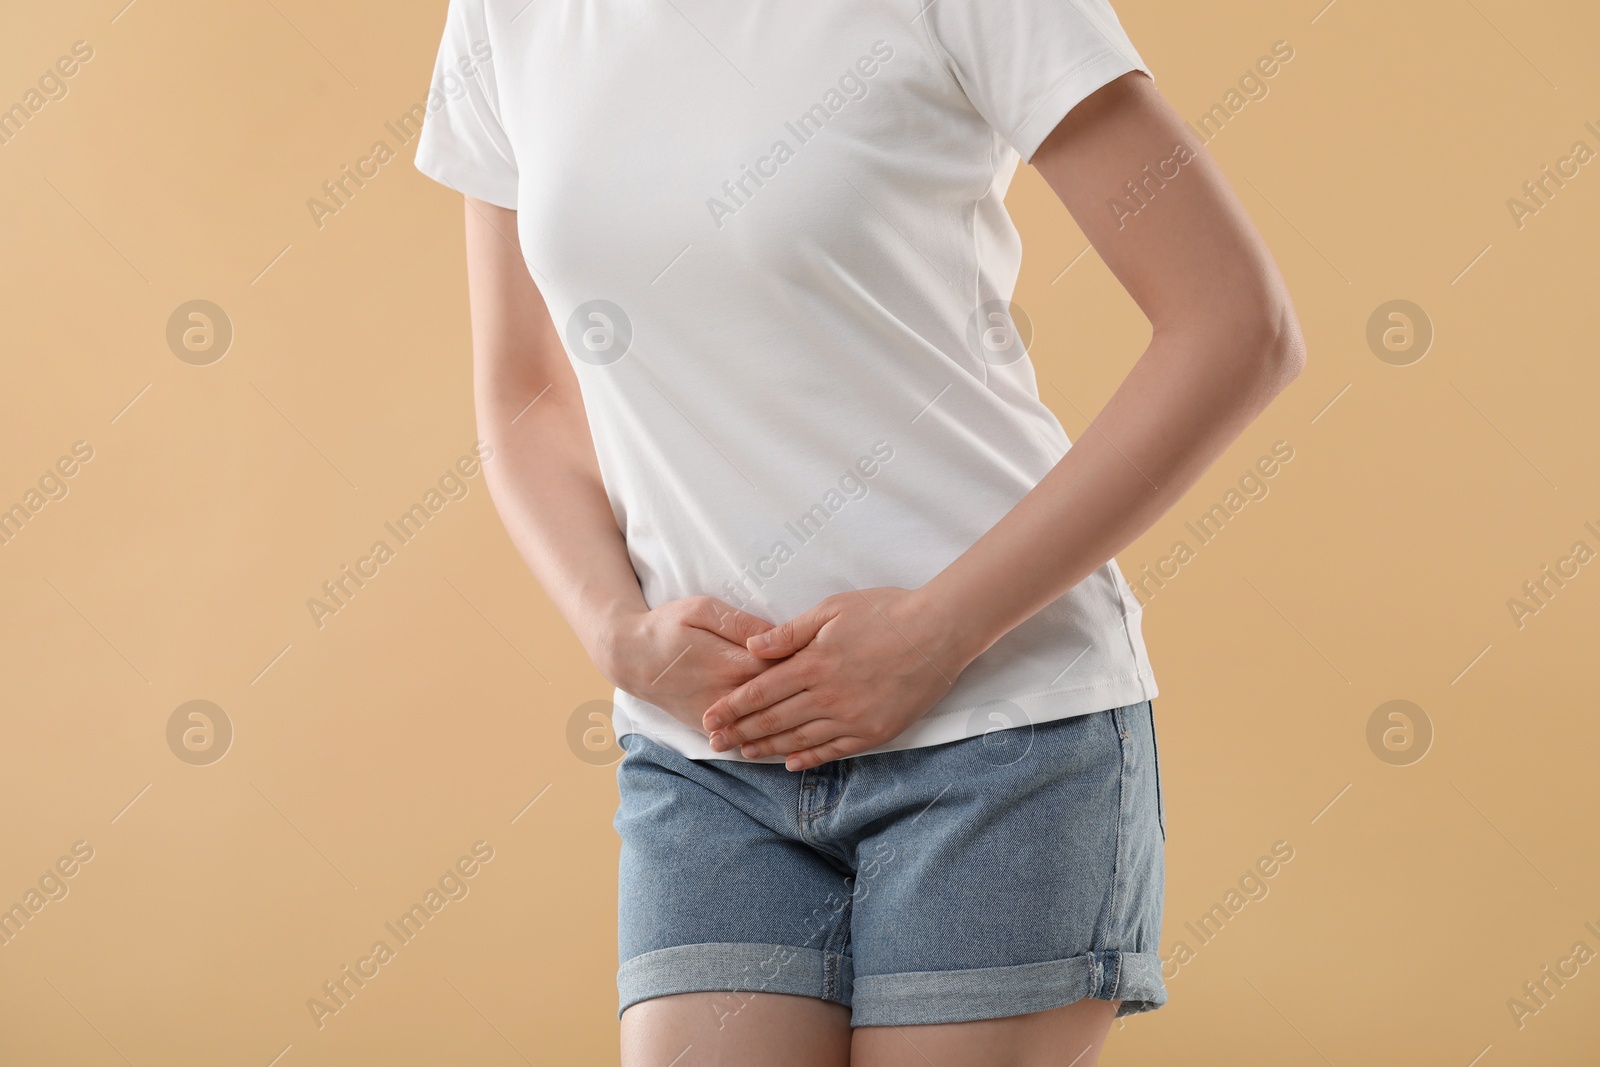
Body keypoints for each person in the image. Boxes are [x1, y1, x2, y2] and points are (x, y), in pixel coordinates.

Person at [413, 1, 1304, 1063]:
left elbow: (1236, 326)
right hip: (711, 754)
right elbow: (525, 396)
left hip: (997, 732)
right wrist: (615, 631)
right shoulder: (507, 18)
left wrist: (941, 627)